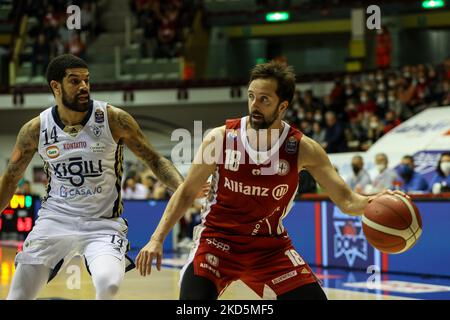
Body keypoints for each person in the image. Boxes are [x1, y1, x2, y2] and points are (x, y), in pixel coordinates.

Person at [135, 61, 407, 300]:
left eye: (264, 99)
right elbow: (186, 193)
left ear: (282, 106)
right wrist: (156, 239)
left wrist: (380, 200)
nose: (255, 105)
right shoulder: (219, 138)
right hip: (218, 240)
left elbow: (348, 201)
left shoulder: (303, 148)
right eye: (251, 97)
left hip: (270, 247)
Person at [0, 54, 204, 300]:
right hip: (54, 220)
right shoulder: (35, 129)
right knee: (17, 295)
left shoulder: (113, 118)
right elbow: (11, 178)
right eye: (75, 81)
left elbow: (155, 159)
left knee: (108, 285)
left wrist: (184, 188)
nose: (84, 86)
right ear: (55, 86)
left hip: (103, 223)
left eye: (86, 80)